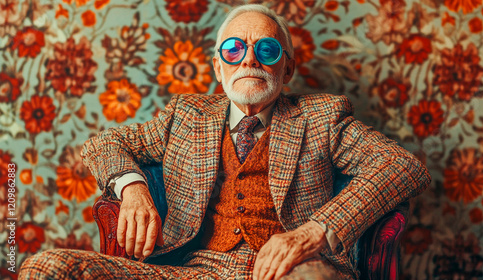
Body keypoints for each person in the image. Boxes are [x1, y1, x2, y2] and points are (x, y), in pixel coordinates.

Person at [19, 4, 430, 280]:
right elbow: (104, 144)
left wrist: (313, 234)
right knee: (44, 267)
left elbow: (404, 167)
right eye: (234, 49)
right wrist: (133, 188)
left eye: (266, 50)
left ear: (286, 69)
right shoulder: (186, 115)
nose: (249, 60)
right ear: (219, 67)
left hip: (294, 270)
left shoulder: (323, 116)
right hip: (191, 271)